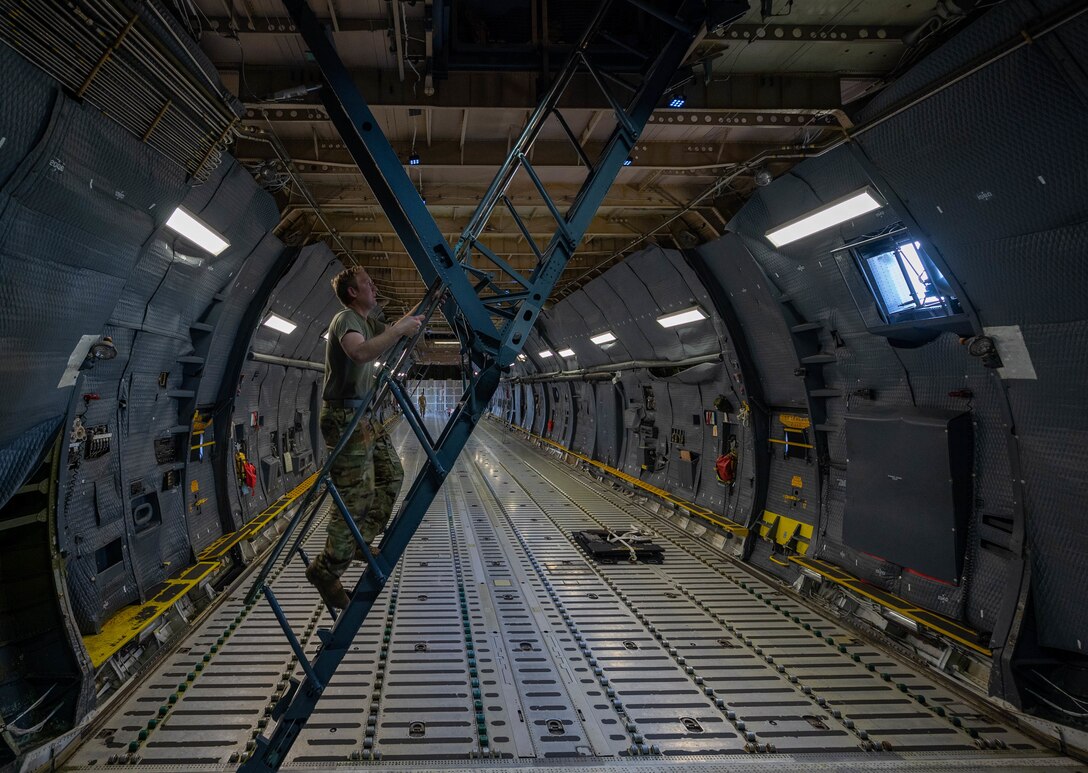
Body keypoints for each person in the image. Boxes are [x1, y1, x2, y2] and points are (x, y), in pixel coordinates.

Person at [306, 266, 424, 609]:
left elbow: (391, 333)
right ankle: (326, 571)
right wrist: (400, 328)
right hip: (344, 417)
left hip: (363, 415)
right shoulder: (345, 320)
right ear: (353, 293)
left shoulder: (367, 323)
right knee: (354, 497)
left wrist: (422, 309)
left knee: (391, 475)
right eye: (367, 283)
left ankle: (360, 541)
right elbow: (360, 352)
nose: (374, 286)